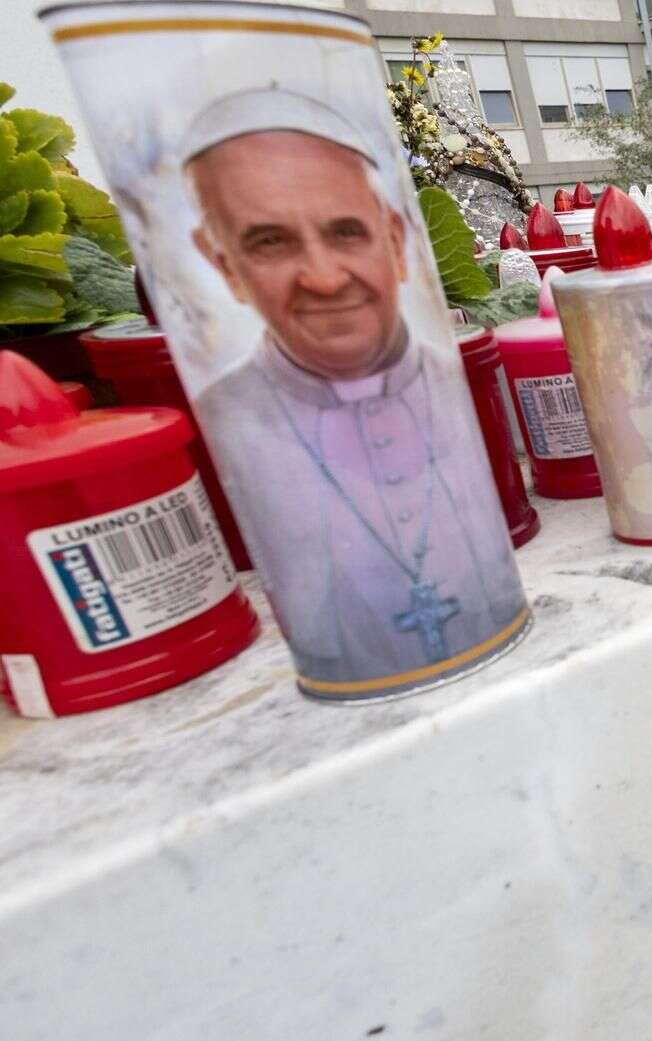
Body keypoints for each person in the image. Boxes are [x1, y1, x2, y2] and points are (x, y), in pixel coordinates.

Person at [186, 89, 527, 689]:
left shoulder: (456, 381)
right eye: (270, 241)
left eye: (347, 232)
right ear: (223, 265)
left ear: (395, 242)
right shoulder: (221, 416)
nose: (322, 277)